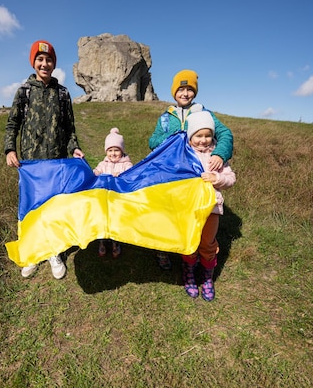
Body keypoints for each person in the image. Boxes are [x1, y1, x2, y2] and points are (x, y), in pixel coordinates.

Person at [4, 40, 85, 279]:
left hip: (57, 161)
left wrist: (75, 149)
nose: (45, 64)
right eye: (40, 59)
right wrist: (10, 149)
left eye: (49, 60)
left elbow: (70, 128)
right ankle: (32, 253)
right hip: (30, 163)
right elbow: (13, 123)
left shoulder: (62, 93)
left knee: (54, 206)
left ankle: (54, 252)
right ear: (34, 62)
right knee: (31, 208)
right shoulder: (24, 91)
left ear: (53, 64)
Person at [148, 69, 234, 270]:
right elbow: (153, 141)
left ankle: (196, 252)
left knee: (188, 217)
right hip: (172, 173)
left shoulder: (205, 114)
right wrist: (176, 136)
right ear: (174, 92)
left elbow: (225, 134)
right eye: (181, 89)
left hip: (196, 175)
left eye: (189, 89)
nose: (185, 93)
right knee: (167, 212)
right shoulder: (165, 118)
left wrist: (219, 154)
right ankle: (163, 250)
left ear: (194, 92)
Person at [182, 111, 236, 300]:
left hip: (212, 208)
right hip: (189, 208)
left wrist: (217, 178)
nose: (203, 140)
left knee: (207, 242)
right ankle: (189, 272)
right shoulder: (184, 154)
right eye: (199, 136)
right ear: (191, 136)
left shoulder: (217, 157)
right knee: (190, 241)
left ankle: (206, 276)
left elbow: (231, 179)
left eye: (208, 135)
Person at [93, 127, 134, 258]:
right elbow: (96, 171)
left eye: (117, 150)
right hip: (104, 199)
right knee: (102, 220)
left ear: (122, 151)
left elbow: (131, 175)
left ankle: (116, 242)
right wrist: (95, 173)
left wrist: (122, 174)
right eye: (110, 150)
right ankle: (102, 242)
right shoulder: (103, 164)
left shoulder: (126, 164)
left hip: (118, 200)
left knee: (116, 221)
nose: (113, 153)